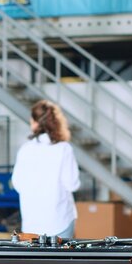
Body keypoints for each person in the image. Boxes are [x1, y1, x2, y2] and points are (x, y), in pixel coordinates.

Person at [11, 100, 80, 238]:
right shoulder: (64, 149)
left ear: (36, 123)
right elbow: (72, 184)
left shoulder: (25, 149)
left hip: (32, 225)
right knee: (60, 259)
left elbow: (17, 184)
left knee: (36, 260)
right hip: (59, 221)